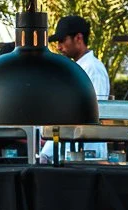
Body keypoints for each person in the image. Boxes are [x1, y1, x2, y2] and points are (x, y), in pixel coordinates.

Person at [43, 15, 111, 162]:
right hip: (73, 148)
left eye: (62, 41)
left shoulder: (93, 69)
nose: (59, 47)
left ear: (78, 38)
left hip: (87, 149)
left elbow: (96, 111)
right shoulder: (78, 68)